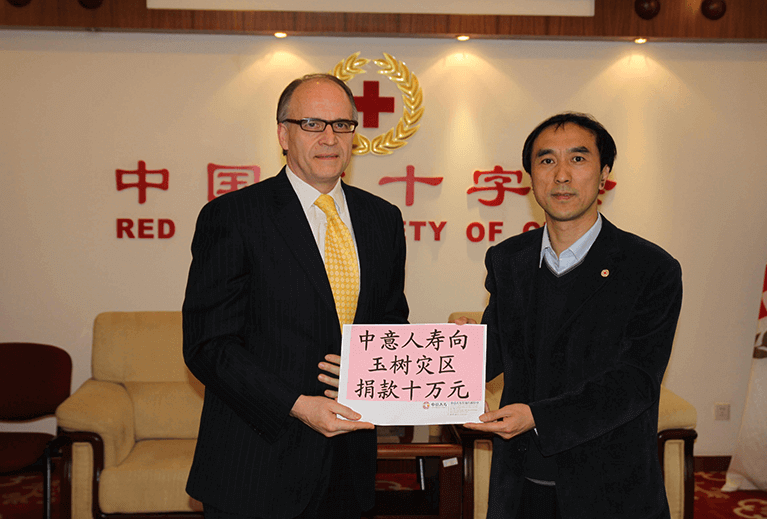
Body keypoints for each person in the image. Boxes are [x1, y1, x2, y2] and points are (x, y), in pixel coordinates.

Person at [182, 73, 409, 519]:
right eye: (312, 124)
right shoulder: (233, 216)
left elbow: (389, 324)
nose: (329, 137)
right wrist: (298, 406)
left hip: (348, 467)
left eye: (342, 125)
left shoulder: (382, 218)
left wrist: (447, 348)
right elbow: (208, 345)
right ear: (283, 135)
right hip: (255, 465)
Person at [460, 112, 683, 519]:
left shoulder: (650, 268)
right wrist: (460, 348)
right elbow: (498, 352)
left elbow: (635, 381)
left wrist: (538, 417)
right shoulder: (509, 259)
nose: (561, 175)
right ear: (531, 177)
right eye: (547, 160)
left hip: (609, 489)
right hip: (520, 484)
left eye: (578, 159)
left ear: (604, 174)